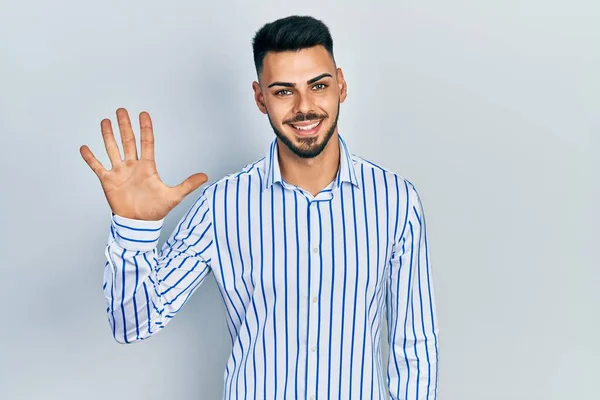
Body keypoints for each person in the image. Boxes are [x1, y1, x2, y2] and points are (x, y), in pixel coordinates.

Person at [80, 15, 439, 400]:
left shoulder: (395, 201)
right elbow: (133, 324)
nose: (305, 107)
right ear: (259, 97)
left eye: (318, 86)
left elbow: (414, 347)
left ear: (341, 85)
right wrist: (135, 228)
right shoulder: (222, 206)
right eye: (284, 91)